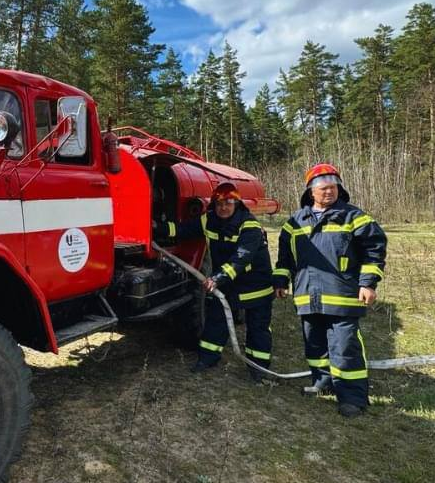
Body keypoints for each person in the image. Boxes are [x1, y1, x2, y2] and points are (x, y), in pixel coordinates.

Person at [273, 163, 387, 418]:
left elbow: (374, 250)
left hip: (343, 295)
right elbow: (284, 258)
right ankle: (323, 382)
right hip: (307, 295)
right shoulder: (294, 223)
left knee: (344, 346)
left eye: (333, 188)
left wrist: (367, 283)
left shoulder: (354, 217)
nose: (329, 192)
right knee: (314, 344)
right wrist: (280, 281)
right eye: (324, 188)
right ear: (310, 192)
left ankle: (352, 398)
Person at [166, 181, 275, 381]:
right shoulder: (209, 220)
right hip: (228, 283)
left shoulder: (249, 225)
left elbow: (241, 257)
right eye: (219, 204)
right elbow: (183, 229)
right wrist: (159, 228)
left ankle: (259, 369)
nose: (223, 208)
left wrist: (218, 277)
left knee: (258, 328)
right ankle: (207, 358)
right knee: (216, 322)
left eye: (228, 203)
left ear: (237, 204)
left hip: (255, 285)